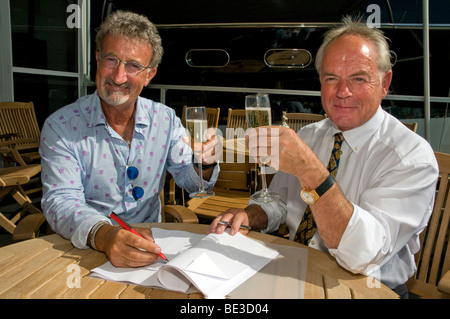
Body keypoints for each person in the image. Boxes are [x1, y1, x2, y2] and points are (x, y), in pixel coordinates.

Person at [208, 16, 438, 298]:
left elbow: (363, 255)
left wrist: (312, 172)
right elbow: (280, 202)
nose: (343, 92)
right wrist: (250, 215)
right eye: (332, 78)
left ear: (385, 82)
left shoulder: (410, 156)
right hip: (296, 272)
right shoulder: (310, 135)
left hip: (368, 290)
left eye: (359, 78)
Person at [40, 10, 220, 268]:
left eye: (134, 66)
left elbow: (189, 180)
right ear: (97, 59)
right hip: (85, 250)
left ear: (149, 76)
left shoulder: (166, 120)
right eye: (111, 60)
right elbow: (62, 200)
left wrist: (207, 162)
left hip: (152, 249)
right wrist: (104, 235)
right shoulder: (61, 127)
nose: (118, 76)